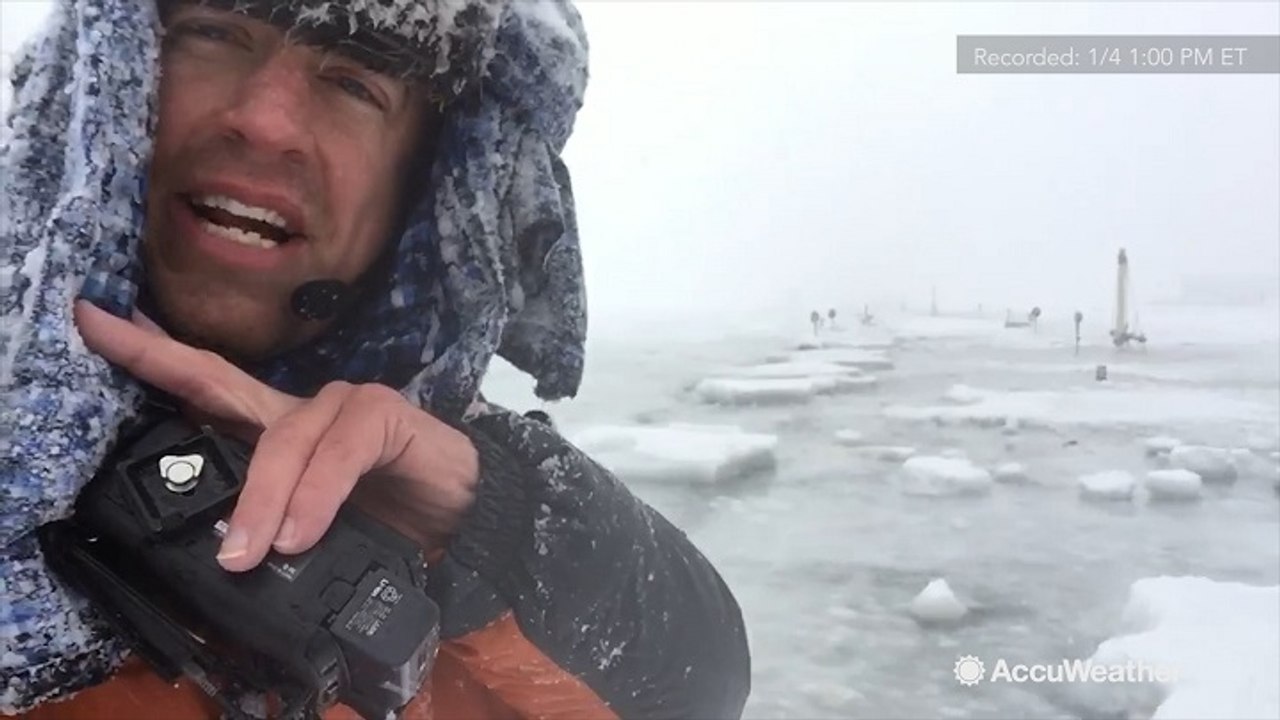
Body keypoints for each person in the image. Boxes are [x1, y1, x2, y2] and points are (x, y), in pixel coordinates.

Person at [0, 1, 751, 718]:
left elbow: (696, 692)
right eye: (215, 33)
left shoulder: (443, 498)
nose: (266, 123)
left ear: (429, 182)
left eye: (355, 80)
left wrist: (497, 527)